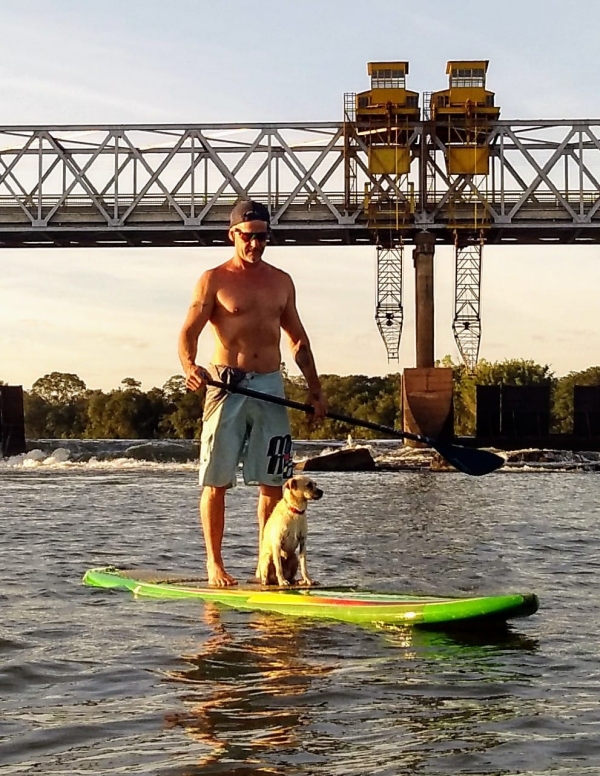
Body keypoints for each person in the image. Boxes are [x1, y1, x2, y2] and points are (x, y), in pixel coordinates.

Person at [178, 200, 326, 587]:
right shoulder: (213, 279)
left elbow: (298, 340)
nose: (256, 244)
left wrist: (315, 390)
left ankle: (268, 568)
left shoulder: (281, 281)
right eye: (249, 237)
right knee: (217, 481)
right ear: (233, 235)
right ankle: (215, 565)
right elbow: (188, 332)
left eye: (263, 237)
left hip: (270, 386)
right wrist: (189, 366)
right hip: (226, 385)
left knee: (273, 484)